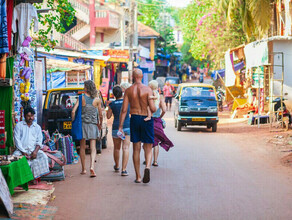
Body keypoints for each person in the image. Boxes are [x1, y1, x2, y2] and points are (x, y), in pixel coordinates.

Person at [119, 68, 156, 183]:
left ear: (133, 77)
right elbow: (153, 109)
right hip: (146, 118)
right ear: (141, 76)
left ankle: (138, 177)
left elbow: (124, 110)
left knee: (136, 148)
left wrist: (120, 126)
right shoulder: (147, 89)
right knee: (148, 147)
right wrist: (153, 100)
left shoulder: (129, 90)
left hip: (134, 118)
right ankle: (147, 167)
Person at [72, 80, 102, 178]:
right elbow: (100, 115)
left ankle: (83, 169)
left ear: (87, 87)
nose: (83, 88)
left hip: (83, 125)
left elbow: (73, 111)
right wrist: (100, 124)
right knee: (93, 147)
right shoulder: (97, 99)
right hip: (93, 125)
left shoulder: (81, 98)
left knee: (83, 146)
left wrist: (73, 121)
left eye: (84, 86)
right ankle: (92, 167)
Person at [13, 107, 50, 181]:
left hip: (34, 150)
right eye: (28, 116)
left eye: (32, 116)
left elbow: (39, 141)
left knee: (43, 157)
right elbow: (17, 141)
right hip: (21, 151)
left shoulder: (37, 127)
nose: (31, 118)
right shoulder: (19, 126)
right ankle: (22, 179)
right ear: (24, 116)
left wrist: (35, 152)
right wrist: (23, 152)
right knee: (14, 159)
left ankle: (35, 177)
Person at [107, 85, 130, 176]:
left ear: (114, 95)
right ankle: (124, 170)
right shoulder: (127, 102)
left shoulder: (112, 104)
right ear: (122, 93)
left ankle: (117, 166)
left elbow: (108, 116)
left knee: (117, 148)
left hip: (116, 128)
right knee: (126, 148)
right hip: (127, 126)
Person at [149, 80, 174, 166]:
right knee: (156, 142)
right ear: (157, 88)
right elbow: (164, 110)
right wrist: (160, 117)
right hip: (157, 121)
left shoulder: (148, 97)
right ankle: (155, 161)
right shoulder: (160, 98)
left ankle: (147, 160)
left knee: (148, 141)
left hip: (148, 121)